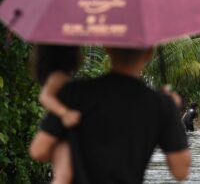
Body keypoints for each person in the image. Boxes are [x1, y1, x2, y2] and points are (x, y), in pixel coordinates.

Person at [29, 47, 191, 183]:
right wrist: (172, 111)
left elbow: (38, 150)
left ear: (108, 49)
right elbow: (180, 171)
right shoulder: (161, 104)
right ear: (149, 53)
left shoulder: (75, 93)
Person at [32, 45, 82, 184]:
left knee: (62, 174)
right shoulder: (59, 76)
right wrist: (64, 113)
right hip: (61, 129)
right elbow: (44, 97)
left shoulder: (57, 75)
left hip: (60, 130)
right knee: (63, 176)